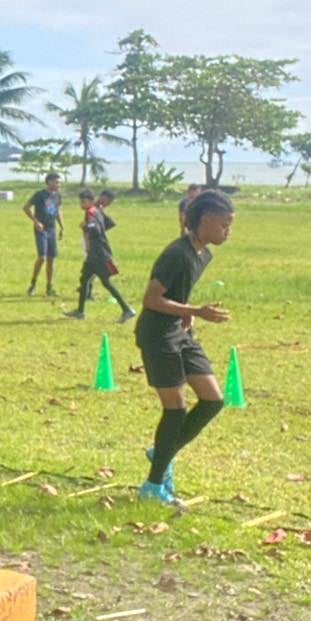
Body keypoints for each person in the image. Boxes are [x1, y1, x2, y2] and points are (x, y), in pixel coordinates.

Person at [134, 189, 235, 504]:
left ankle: (163, 451)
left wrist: (186, 314)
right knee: (175, 410)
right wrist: (194, 311)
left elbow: (175, 293)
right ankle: (153, 488)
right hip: (157, 335)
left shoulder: (203, 254)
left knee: (213, 400)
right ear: (204, 221)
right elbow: (151, 299)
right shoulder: (177, 253)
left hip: (179, 331)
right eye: (223, 224)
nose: (228, 231)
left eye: (230, 225)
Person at [68, 188, 135, 322]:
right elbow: (108, 224)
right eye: (80, 201)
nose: (81, 204)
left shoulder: (92, 212)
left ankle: (127, 309)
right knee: (85, 279)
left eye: (83, 201)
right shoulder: (97, 210)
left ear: (91, 201)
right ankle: (80, 312)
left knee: (105, 282)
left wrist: (85, 227)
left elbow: (95, 229)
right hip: (95, 253)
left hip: (98, 255)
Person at [24, 171, 63, 299]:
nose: (59, 185)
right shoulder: (40, 195)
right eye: (57, 182)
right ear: (49, 182)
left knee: (51, 259)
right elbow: (26, 208)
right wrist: (36, 222)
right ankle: (32, 284)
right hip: (41, 230)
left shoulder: (57, 196)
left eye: (59, 182)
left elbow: (57, 211)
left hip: (52, 229)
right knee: (42, 258)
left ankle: (49, 287)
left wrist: (62, 227)